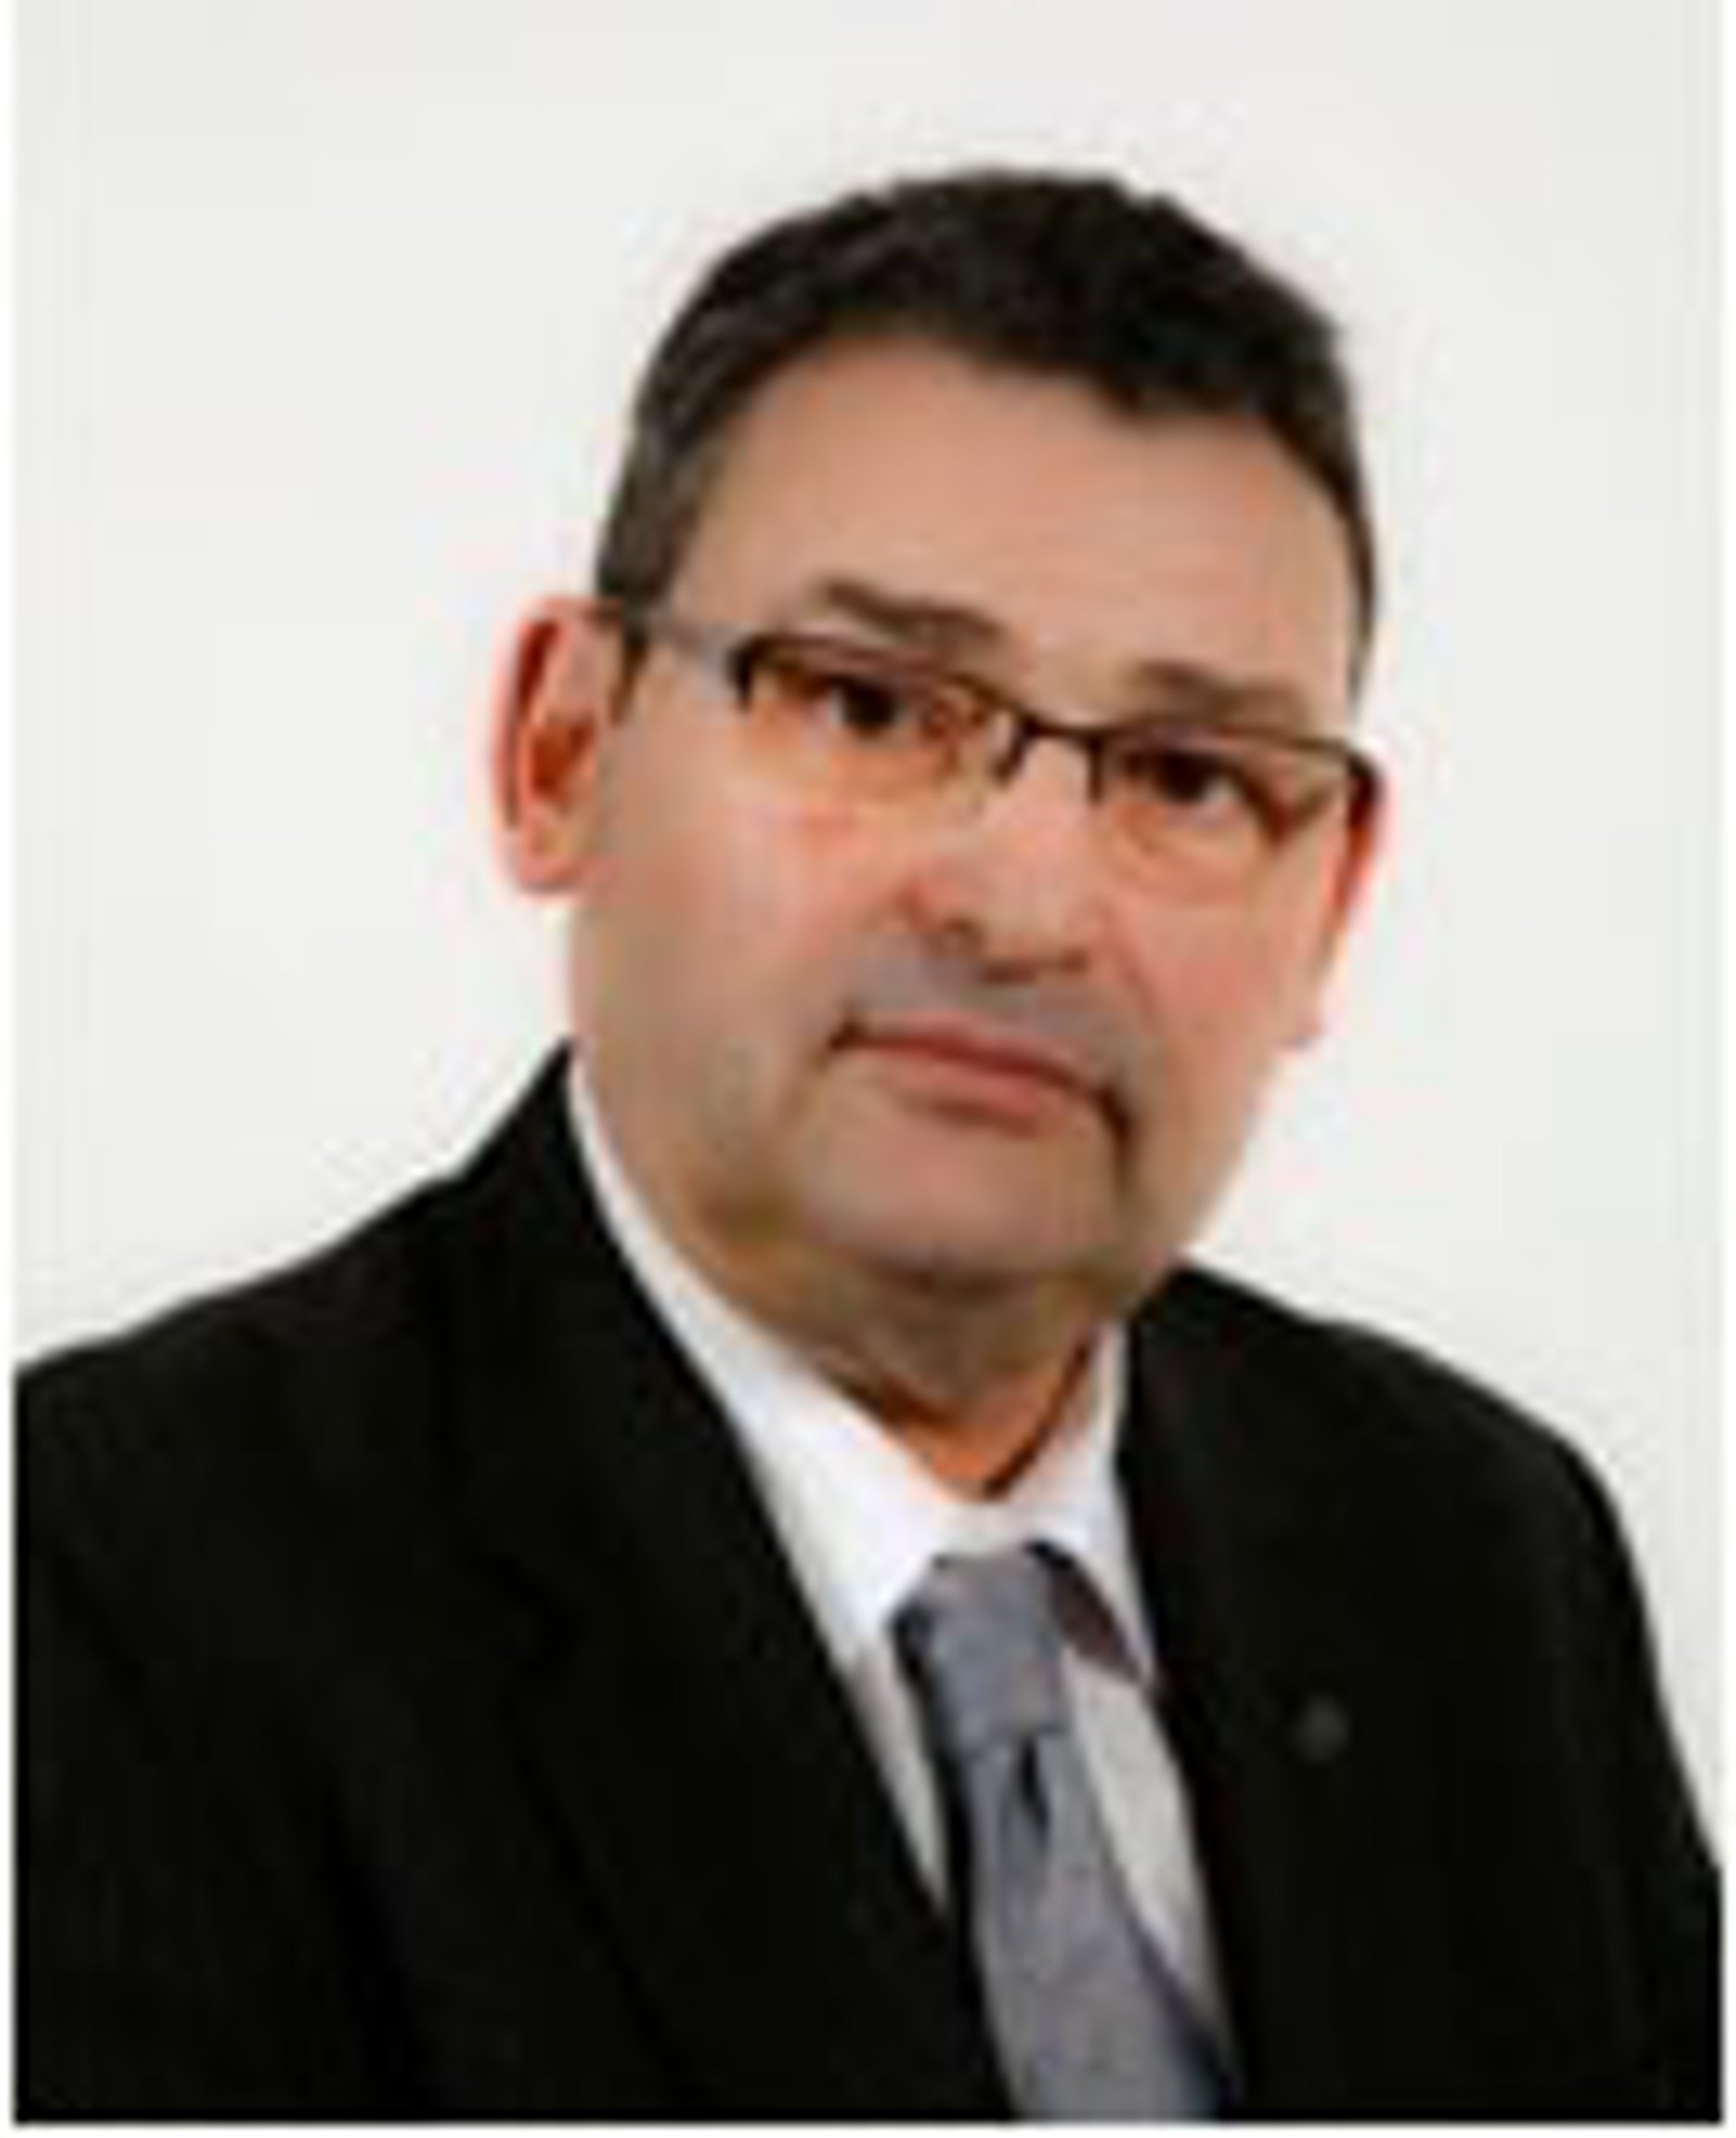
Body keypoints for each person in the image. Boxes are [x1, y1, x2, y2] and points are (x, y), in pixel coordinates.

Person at [21, 168, 1716, 2122]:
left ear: (1329, 905)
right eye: (868, 704)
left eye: (1189, 777)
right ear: (561, 753)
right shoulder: (98, 1595)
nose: (1027, 905)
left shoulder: (1479, 1553)